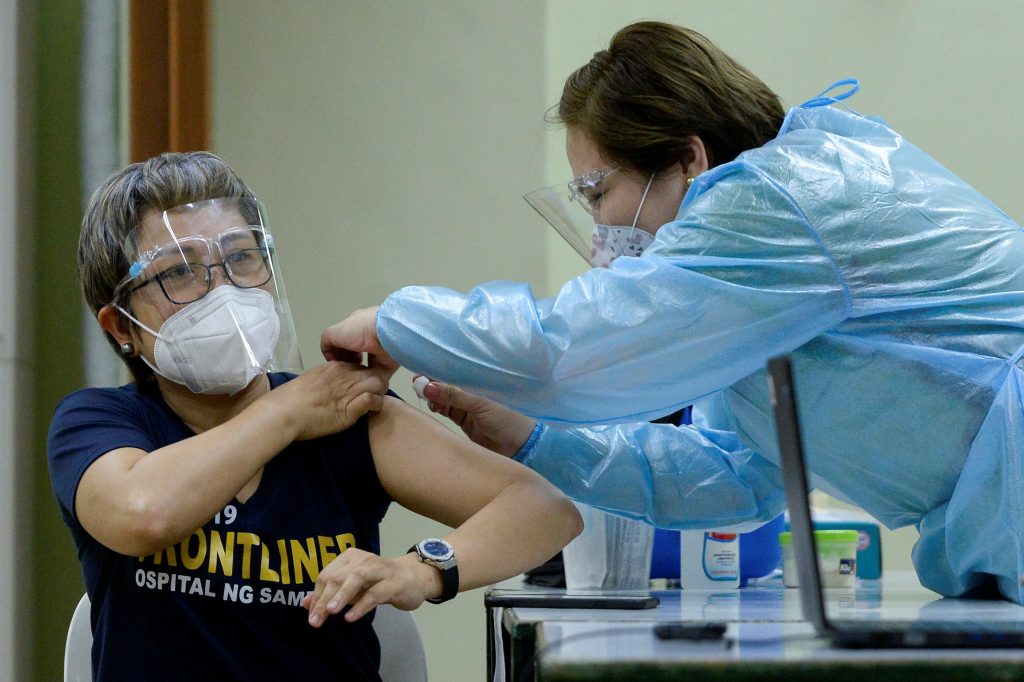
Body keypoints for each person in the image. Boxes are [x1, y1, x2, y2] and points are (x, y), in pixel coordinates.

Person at [321, 21, 1024, 604]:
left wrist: (396, 321)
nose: (598, 230)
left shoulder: (779, 199)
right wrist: (533, 439)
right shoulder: (753, 290)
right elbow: (735, 475)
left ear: (688, 158)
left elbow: (569, 350)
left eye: (597, 192)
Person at [47, 151, 581, 681]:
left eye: (241, 258)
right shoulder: (99, 424)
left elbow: (545, 510)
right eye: (180, 274)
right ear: (121, 327)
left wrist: (420, 570)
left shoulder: (343, 416)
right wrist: (287, 413)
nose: (223, 290)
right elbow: (144, 514)